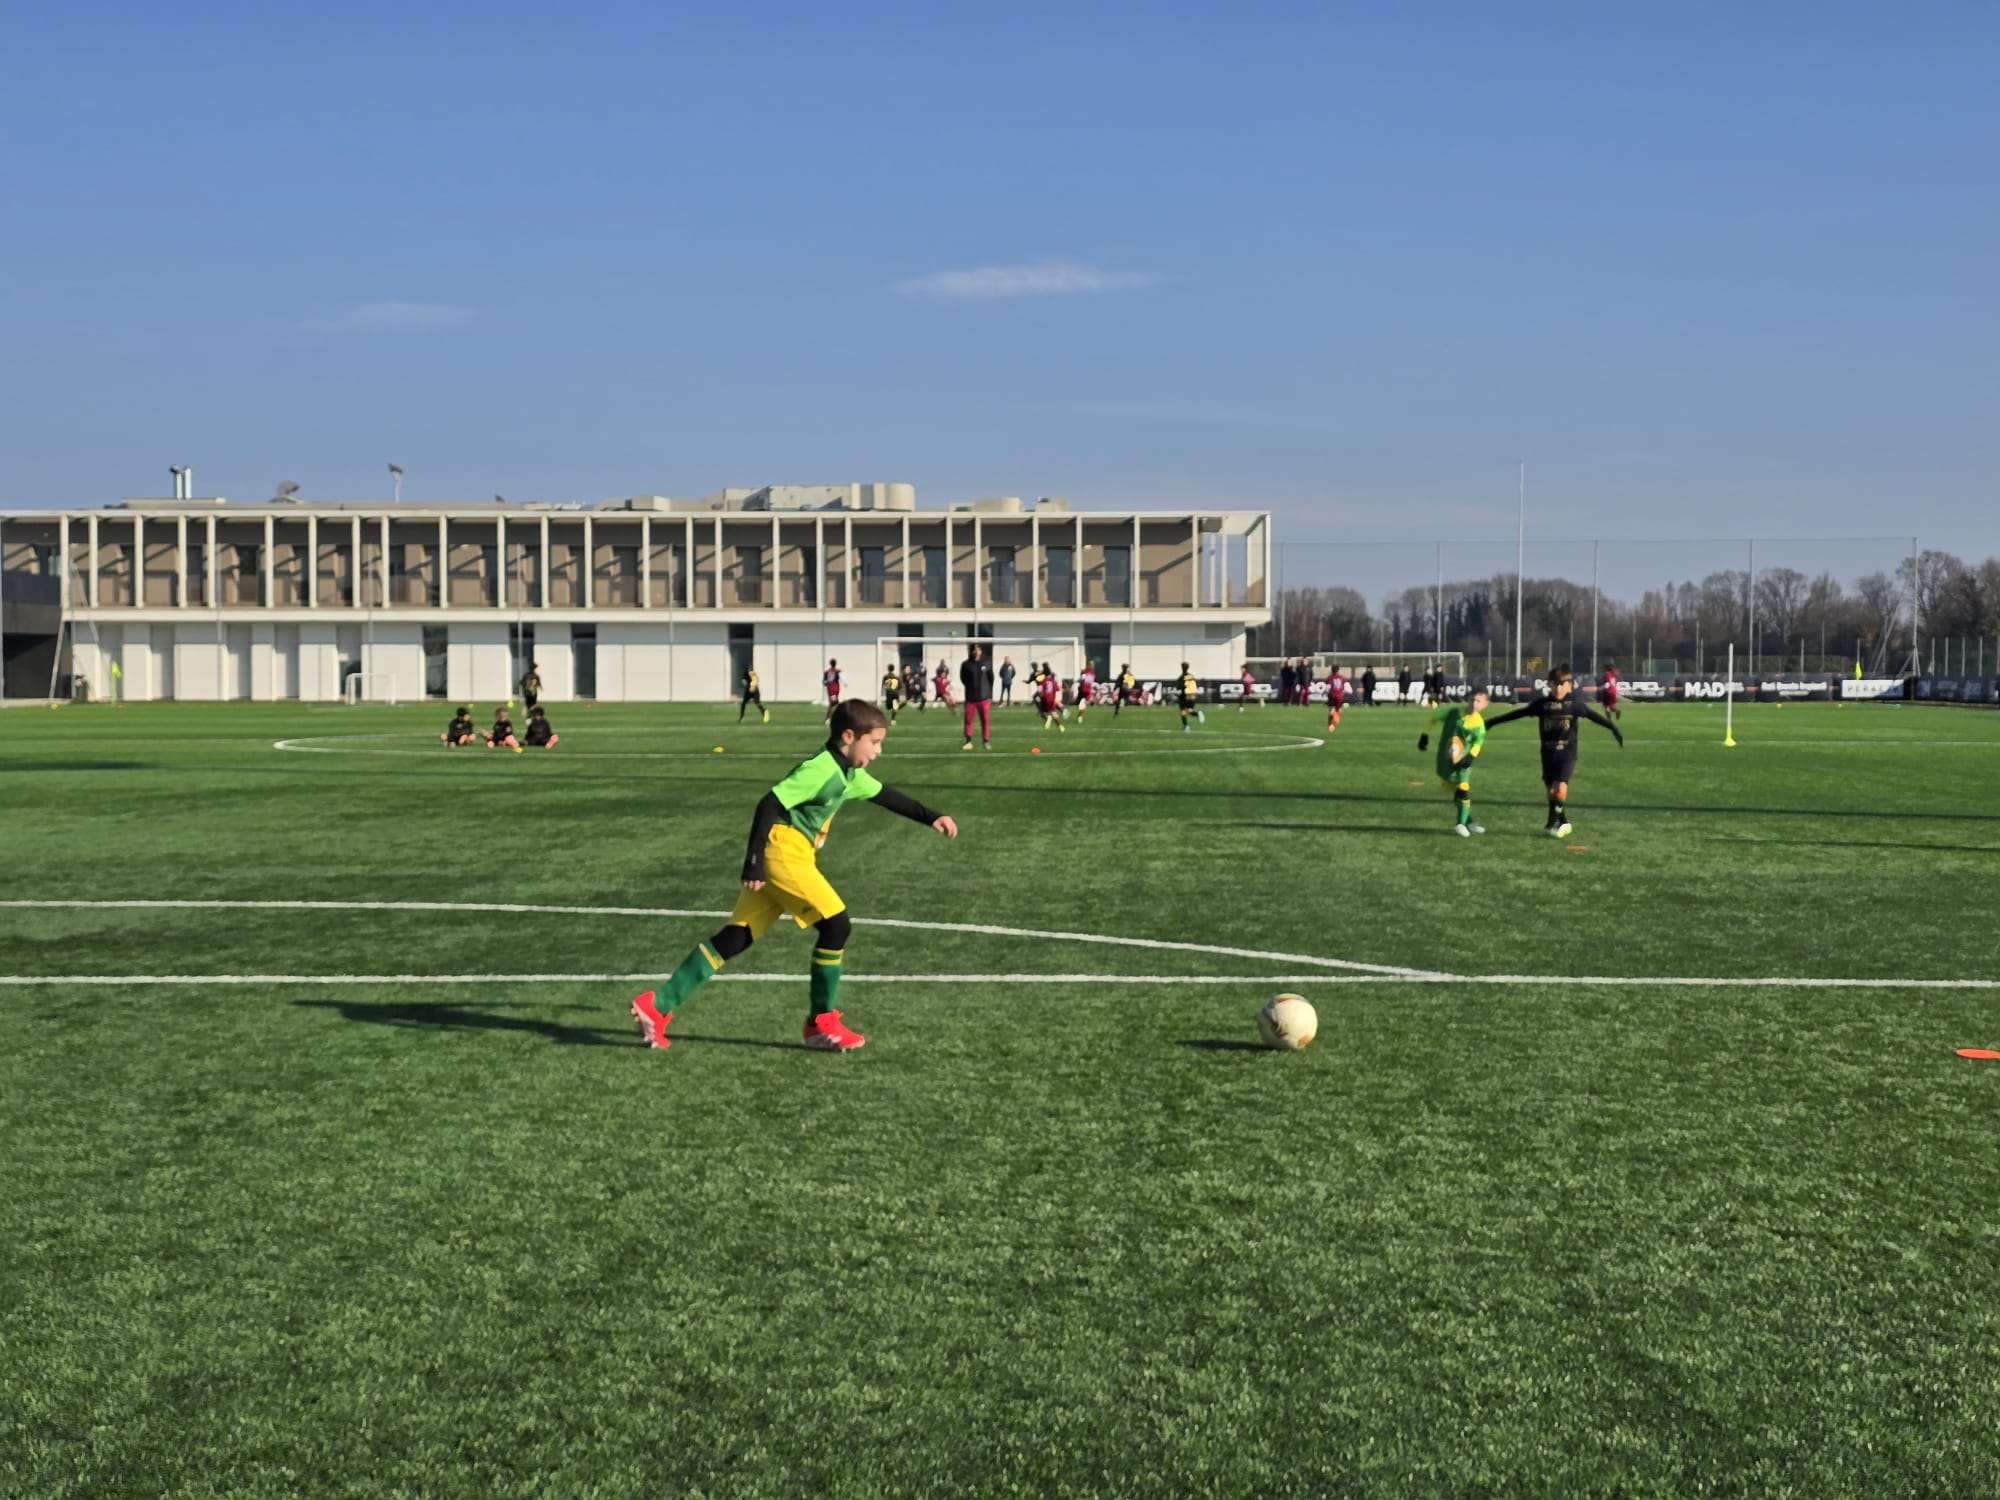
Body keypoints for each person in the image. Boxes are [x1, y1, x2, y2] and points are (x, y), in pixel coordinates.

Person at [630, 699, 959, 1052]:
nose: (879, 751)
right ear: (849, 737)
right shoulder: (821, 768)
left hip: (791, 855)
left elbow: (887, 796)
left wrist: (932, 816)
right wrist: (753, 861)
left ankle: (657, 1005)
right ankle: (821, 1023)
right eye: (874, 742)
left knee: (736, 936)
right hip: (782, 853)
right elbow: (769, 803)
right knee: (836, 925)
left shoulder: (849, 773)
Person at [1484, 663, 1624, 838]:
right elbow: (1517, 714)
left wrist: (1613, 728)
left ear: (1569, 686)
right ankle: (1559, 821)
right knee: (1551, 792)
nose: (1558, 688)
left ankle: (1558, 822)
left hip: (1567, 753)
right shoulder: (1542, 705)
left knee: (1559, 788)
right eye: (1554, 684)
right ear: (1549, 685)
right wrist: (1493, 722)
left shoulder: (1574, 705)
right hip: (1548, 754)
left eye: (1562, 685)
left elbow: (1594, 717)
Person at [1417, 688, 1490, 836]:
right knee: (1457, 792)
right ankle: (1469, 822)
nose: (1474, 703)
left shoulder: (1479, 724)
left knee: (1463, 789)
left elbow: (1478, 742)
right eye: (1472, 699)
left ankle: (1460, 824)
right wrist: (1424, 735)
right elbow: (1433, 717)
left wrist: (1471, 756)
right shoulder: (1453, 713)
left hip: (1463, 761)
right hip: (1446, 759)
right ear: (1468, 700)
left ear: (1484, 705)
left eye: (1478, 701)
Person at [960, 644, 994, 750]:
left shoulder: (987, 663)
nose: (976, 652)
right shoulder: (965, 665)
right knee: (968, 720)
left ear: (981, 651)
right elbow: (963, 679)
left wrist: (988, 692)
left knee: (985, 720)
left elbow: (991, 678)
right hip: (970, 698)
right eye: (974, 650)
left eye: (978, 649)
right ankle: (968, 741)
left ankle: (986, 742)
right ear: (971, 652)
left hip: (984, 697)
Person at [1035, 663, 1066, 733]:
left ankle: (1048, 718)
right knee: (1054, 713)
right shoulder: (1053, 681)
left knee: (1041, 712)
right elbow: (1058, 688)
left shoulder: (1043, 680)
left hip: (1045, 699)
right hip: (1052, 699)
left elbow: (1041, 691)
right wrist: (1064, 689)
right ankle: (1060, 726)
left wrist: (1039, 698)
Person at [1177, 662, 1204, 733]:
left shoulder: (1181, 677)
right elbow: (1195, 685)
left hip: (1184, 696)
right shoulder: (1191, 676)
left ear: (1182, 668)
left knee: (1183, 711)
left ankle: (1186, 726)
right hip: (1192, 696)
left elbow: (1180, 687)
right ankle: (1197, 714)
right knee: (1189, 711)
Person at [1325, 665, 1347, 733]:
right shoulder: (1341, 677)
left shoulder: (1330, 677)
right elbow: (1344, 687)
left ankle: (1330, 725)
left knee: (1331, 710)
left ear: (1332, 670)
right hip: (1340, 696)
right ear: (1338, 670)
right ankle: (1335, 721)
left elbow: (1328, 688)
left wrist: (1326, 694)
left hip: (1332, 696)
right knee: (1338, 710)